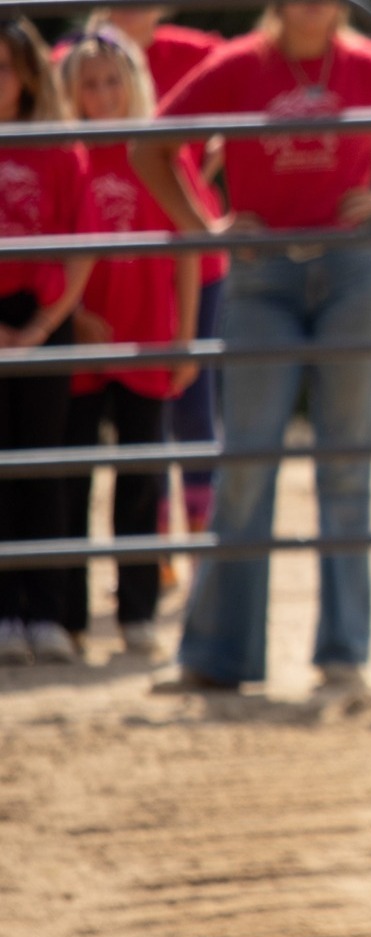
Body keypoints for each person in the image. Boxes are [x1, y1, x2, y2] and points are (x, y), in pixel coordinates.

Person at [131, 0, 371, 691]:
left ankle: (343, 655)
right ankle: (216, 656)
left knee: (345, 460)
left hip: (353, 273)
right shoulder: (237, 65)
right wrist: (205, 226)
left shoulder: (370, 62)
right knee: (246, 460)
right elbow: (148, 145)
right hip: (261, 272)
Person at [55, 28, 200, 661]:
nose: (103, 94)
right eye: (90, 83)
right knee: (68, 479)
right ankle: (66, 615)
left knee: (141, 478)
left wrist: (188, 337)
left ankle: (138, 610)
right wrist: (74, 313)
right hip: (85, 335)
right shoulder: (65, 152)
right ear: (72, 92)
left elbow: (192, 249)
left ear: (134, 84)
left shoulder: (161, 151)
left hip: (148, 333)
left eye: (114, 80)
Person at [66, 6, 230, 564]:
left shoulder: (189, 50)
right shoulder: (75, 58)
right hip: (101, 299)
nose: (103, 90)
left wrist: (212, 151)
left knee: (189, 406)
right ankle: (152, 561)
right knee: (101, 439)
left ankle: (199, 544)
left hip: (180, 271)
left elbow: (240, 81)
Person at [0, 16, 94, 666]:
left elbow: (82, 246)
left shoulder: (61, 147)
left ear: (29, 75)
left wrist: (38, 326)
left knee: (44, 463)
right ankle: (6, 611)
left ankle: (49, 611)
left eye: (5, 67)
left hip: (43, 317)